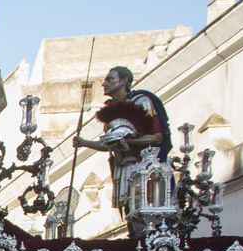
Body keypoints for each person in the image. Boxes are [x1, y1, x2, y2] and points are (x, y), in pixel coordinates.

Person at [72, 66, 171, 224]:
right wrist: (84, 142)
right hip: (122, 167)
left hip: (142, 167)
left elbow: (156, 137)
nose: (104, 84)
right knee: (130, 216)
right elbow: (108, 145)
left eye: (110, 79)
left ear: (124, 81)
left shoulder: (141, 102)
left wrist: (127, 141)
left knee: (145, 212)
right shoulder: (110, 111)